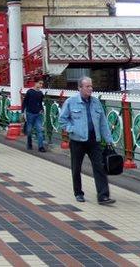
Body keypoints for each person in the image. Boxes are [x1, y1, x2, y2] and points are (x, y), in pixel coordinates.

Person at [58, 76, 115, 205]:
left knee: (99, 167)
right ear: (80, 88)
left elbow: (103, 123)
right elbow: (62, 120)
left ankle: (103, 196)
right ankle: (78, 193)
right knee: (76, 167)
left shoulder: (96, 102)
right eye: (87, 86)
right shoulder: (71, 102)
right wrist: (72, 129)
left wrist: (109, 140)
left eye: (91, 86)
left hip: (94, 140)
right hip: (77, 141)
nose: (90, 89)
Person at [23, 79, 46, 152]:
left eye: (42, 84)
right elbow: (25, 102)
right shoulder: (30, 92)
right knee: (29, 130)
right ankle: (29, 143)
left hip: (38, 113)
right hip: (30, 113)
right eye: (40, 83)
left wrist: (41, 109)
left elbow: (40, 103)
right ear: (35, 83)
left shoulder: (41, 93)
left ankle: (41, 146)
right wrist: (22, 112)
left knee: (39, 130)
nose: (41, 85)